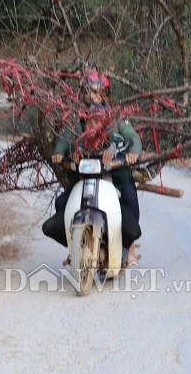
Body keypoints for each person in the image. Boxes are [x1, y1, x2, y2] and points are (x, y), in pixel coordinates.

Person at [42, 68, 143, 267]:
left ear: (105, 94)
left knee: (130, 198)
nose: (93, 97)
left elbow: (133, 139)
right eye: (89, 92)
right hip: (85, 176)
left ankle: (129, 247)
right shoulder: (75, 118)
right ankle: (76, 248)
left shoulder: (115, 117)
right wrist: (62, 153)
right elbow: (65, 139)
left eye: (97, 92)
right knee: (62, 203)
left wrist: (130, 154)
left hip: (114, 176)